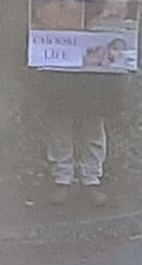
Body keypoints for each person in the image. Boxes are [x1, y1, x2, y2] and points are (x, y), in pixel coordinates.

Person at [36, 68, 126, 207]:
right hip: (62, 66)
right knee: (60, 119)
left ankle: (91, 178)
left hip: (95, 72)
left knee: (93, 119)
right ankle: (62, 178)